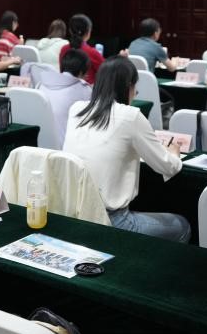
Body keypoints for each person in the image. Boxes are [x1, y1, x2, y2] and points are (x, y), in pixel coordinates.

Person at [63, 58, 190, 243]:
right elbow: (166, 166)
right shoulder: (131, 116)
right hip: (112, 220)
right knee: (182, 225)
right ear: (128, 86)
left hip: (72, 213)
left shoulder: (76, 109)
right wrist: (174, 154)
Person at [38, 48, 92, 146]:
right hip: (66, 147)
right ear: (81, 72)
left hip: (40, 143)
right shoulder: (83, 89)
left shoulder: (42, 84)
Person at [60, 13, 105, 84]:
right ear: (88, 32)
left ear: (70, 31)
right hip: (88, 90)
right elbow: (107, 72)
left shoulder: (64, 49)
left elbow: (62, 71)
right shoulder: (92, 52)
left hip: (65, 87)